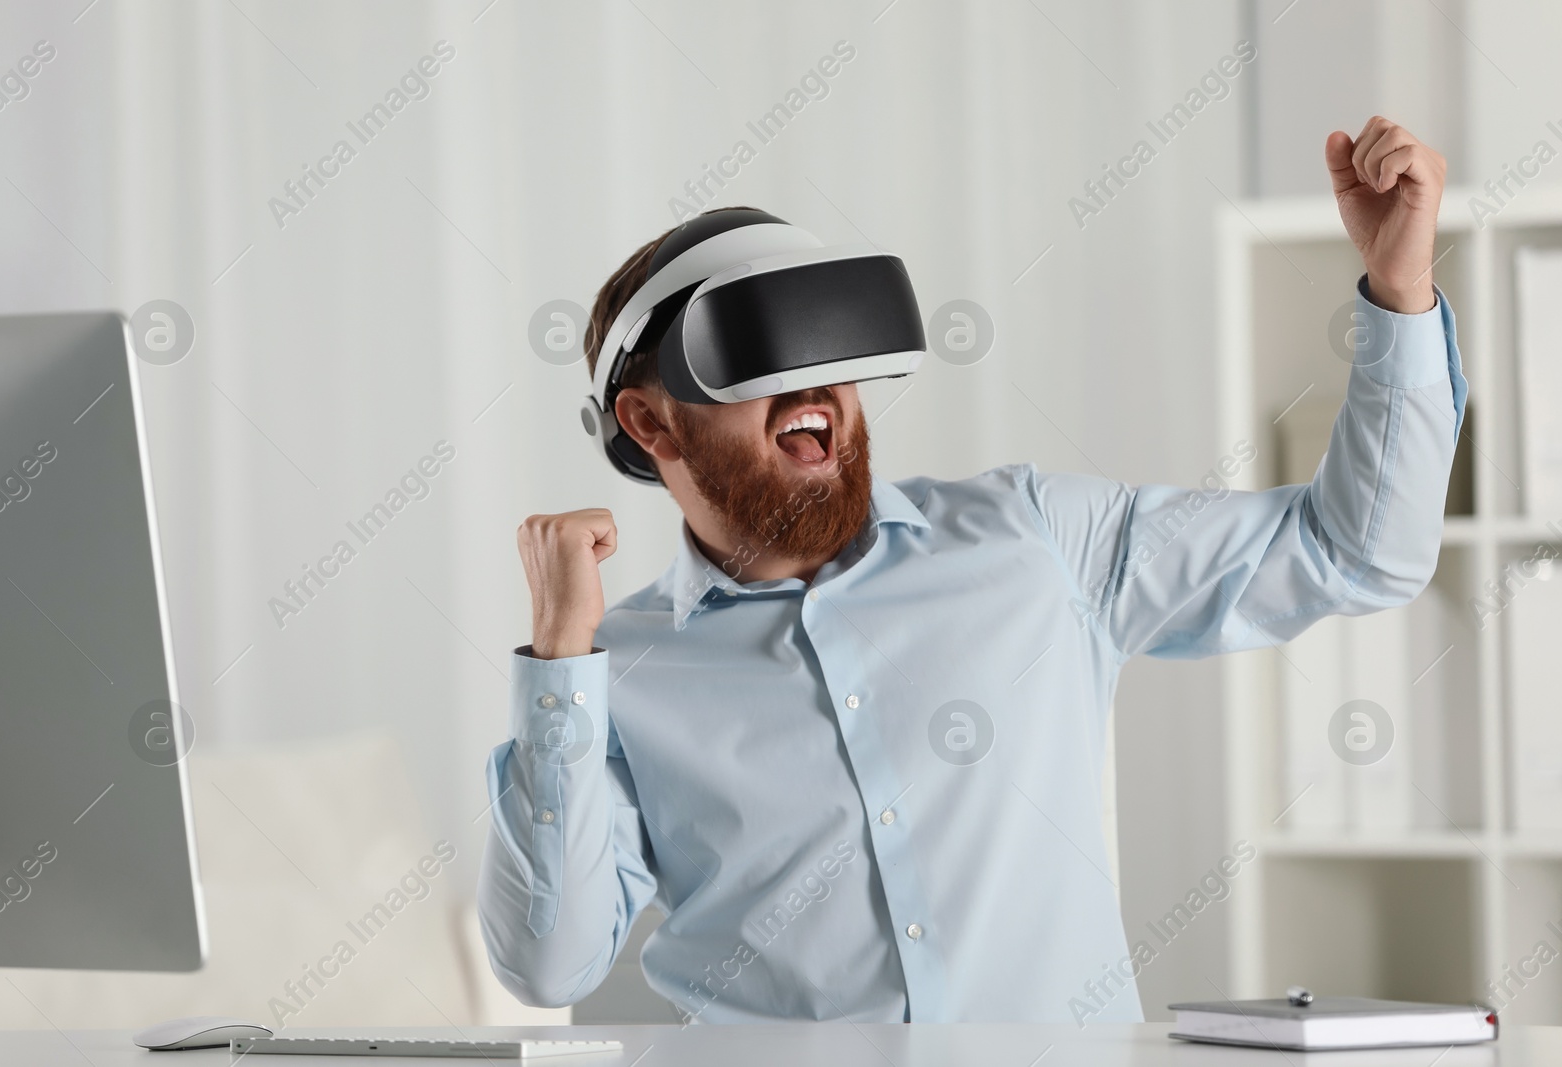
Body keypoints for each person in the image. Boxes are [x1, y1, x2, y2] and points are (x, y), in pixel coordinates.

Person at [477, 118, 1464, 1022]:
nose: (814, 379)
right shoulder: (621, 671)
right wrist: (561, 660)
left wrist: (1399, 291)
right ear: (650, 422)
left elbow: (1360, 552)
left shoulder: (1034, 538)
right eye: (758, 350)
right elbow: (548, 965)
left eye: (827, 335)